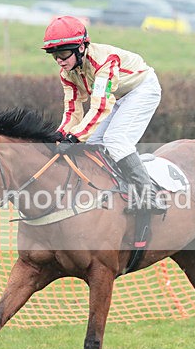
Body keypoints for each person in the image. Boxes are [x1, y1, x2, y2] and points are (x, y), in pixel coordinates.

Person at [41, 15, 166, 214]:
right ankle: (115, 189)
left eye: (63, 53)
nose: (59, 61)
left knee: (115, 140)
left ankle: (148, 196)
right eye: (54, 55)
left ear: (81, 48)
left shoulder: (103, 61)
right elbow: (72, 110)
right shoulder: (67, 73)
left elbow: (100, 107)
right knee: (92, 143)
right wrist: (60, 136)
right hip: (117, 97)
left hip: (141, 89)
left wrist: (75, 137)